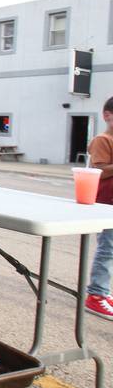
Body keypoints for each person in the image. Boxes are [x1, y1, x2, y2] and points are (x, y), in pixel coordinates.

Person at [85, 97, 113, 320]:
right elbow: (100, 170)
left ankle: (103, 291)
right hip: (108, 202)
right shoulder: (103, 140)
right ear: (107, 115)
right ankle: (96, 294)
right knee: (108, 248)